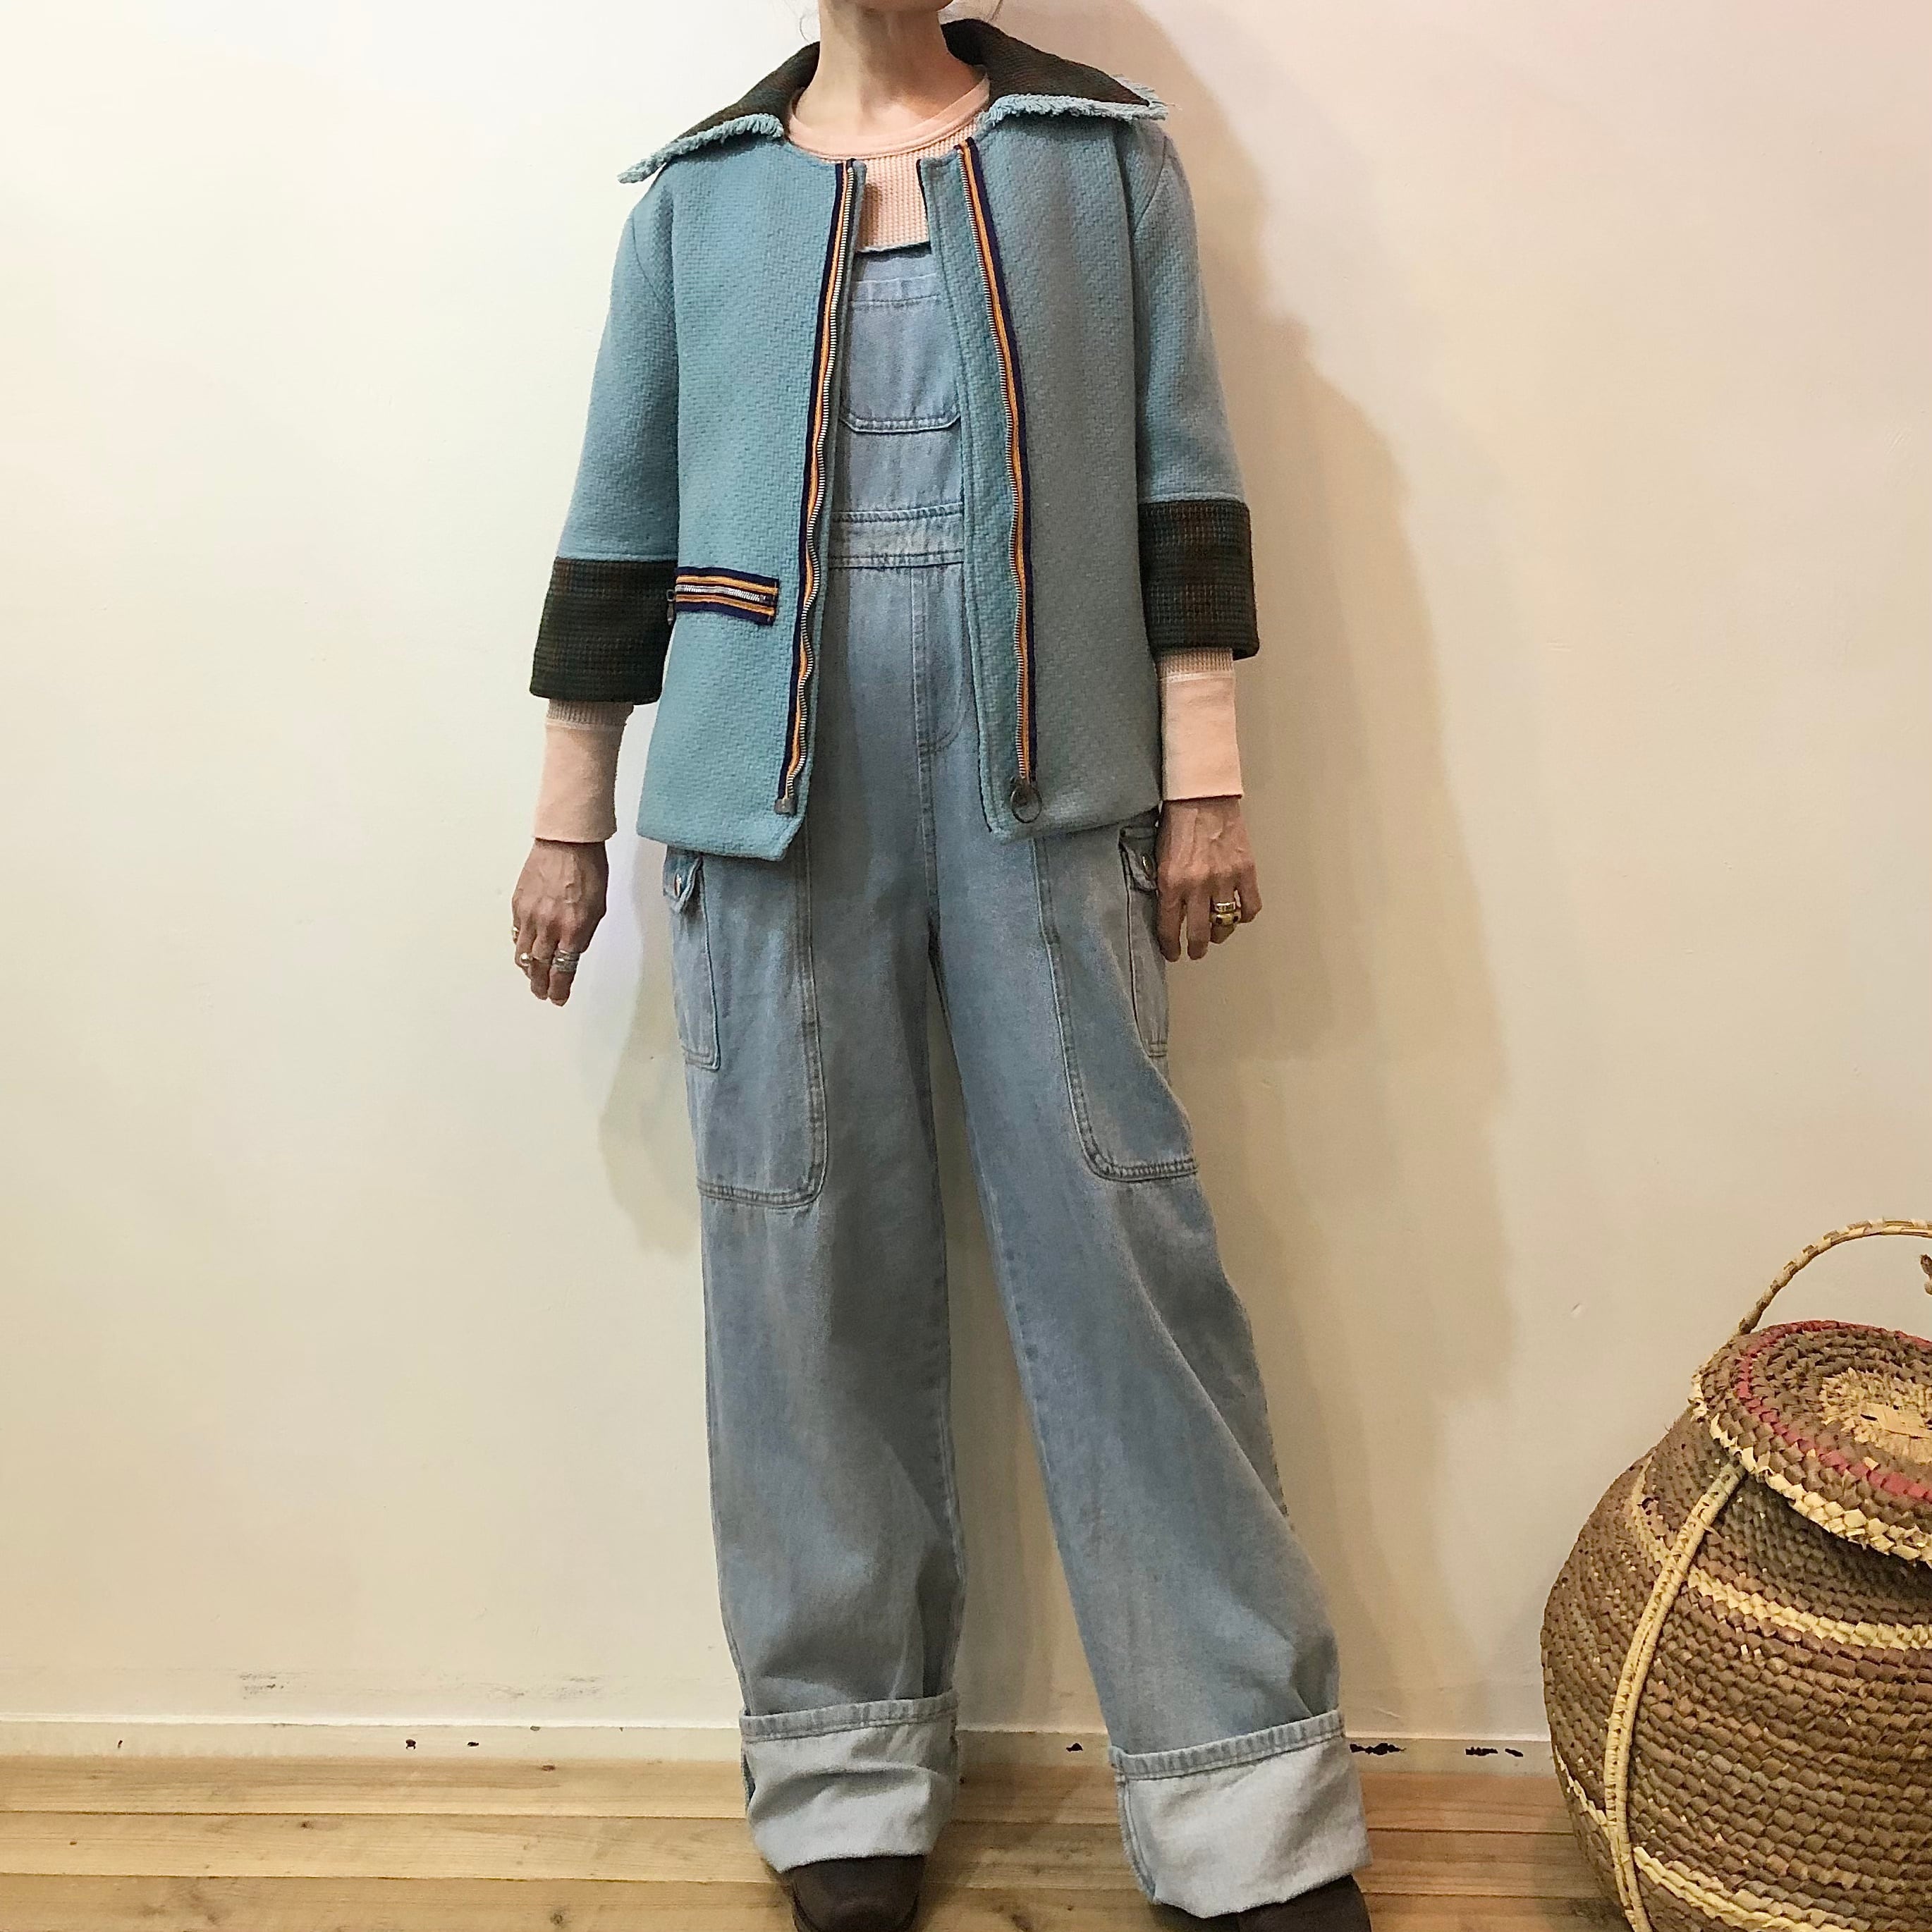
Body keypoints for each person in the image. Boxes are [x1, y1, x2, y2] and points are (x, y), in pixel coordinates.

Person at [509, 7, 1374, 1928]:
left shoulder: (1098, 167)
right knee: (796, 1255)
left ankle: (1241, 1799)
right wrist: (570, 815)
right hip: (763, 802)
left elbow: (1181, 485)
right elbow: (616, 519)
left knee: (1118, 1246)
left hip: (1051, 788)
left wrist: (1207, 781)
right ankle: (843, 1766)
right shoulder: (697, 205)